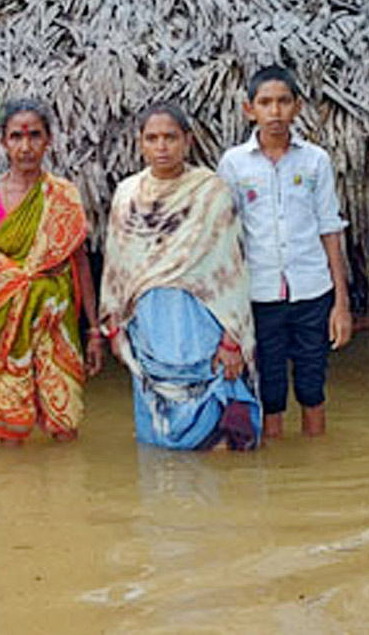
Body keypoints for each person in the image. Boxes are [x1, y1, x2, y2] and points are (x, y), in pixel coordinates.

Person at [100, 103, 262, 451]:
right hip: (147, 324)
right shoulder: (127, 194)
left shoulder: (211, 191)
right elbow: (117, 266)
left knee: (217, 437)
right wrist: (115, 327)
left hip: (201, 320)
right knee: (157, 437)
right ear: (140, 143)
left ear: (187, 140)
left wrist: (232, 340)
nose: (162, 147)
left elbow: (230, 269)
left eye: (170, 138)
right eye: (152, 138)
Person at [217, 65, 353, 438]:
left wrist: (341, 305)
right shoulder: (233, 164)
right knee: (271, 389)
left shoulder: (315, 161)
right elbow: (229, 239)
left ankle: (313, 464)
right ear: (250, 110)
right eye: (265, 103)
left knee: (312, 386)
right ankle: (278, 473)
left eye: (282, 102)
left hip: (312, 290)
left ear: (297, 107)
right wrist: (229, 313)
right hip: (259, 295)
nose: (274, 111)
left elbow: (329, 229)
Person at [0, 98, 105, 444]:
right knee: (10, 425)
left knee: (64, 419)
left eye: (34, 136)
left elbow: (81, 264)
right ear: (3, 142)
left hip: (57, 315)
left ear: (49, 140)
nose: (25, 147)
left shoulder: (64, 194)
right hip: (4, 315)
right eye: (15, 137)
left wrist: (94, 331)